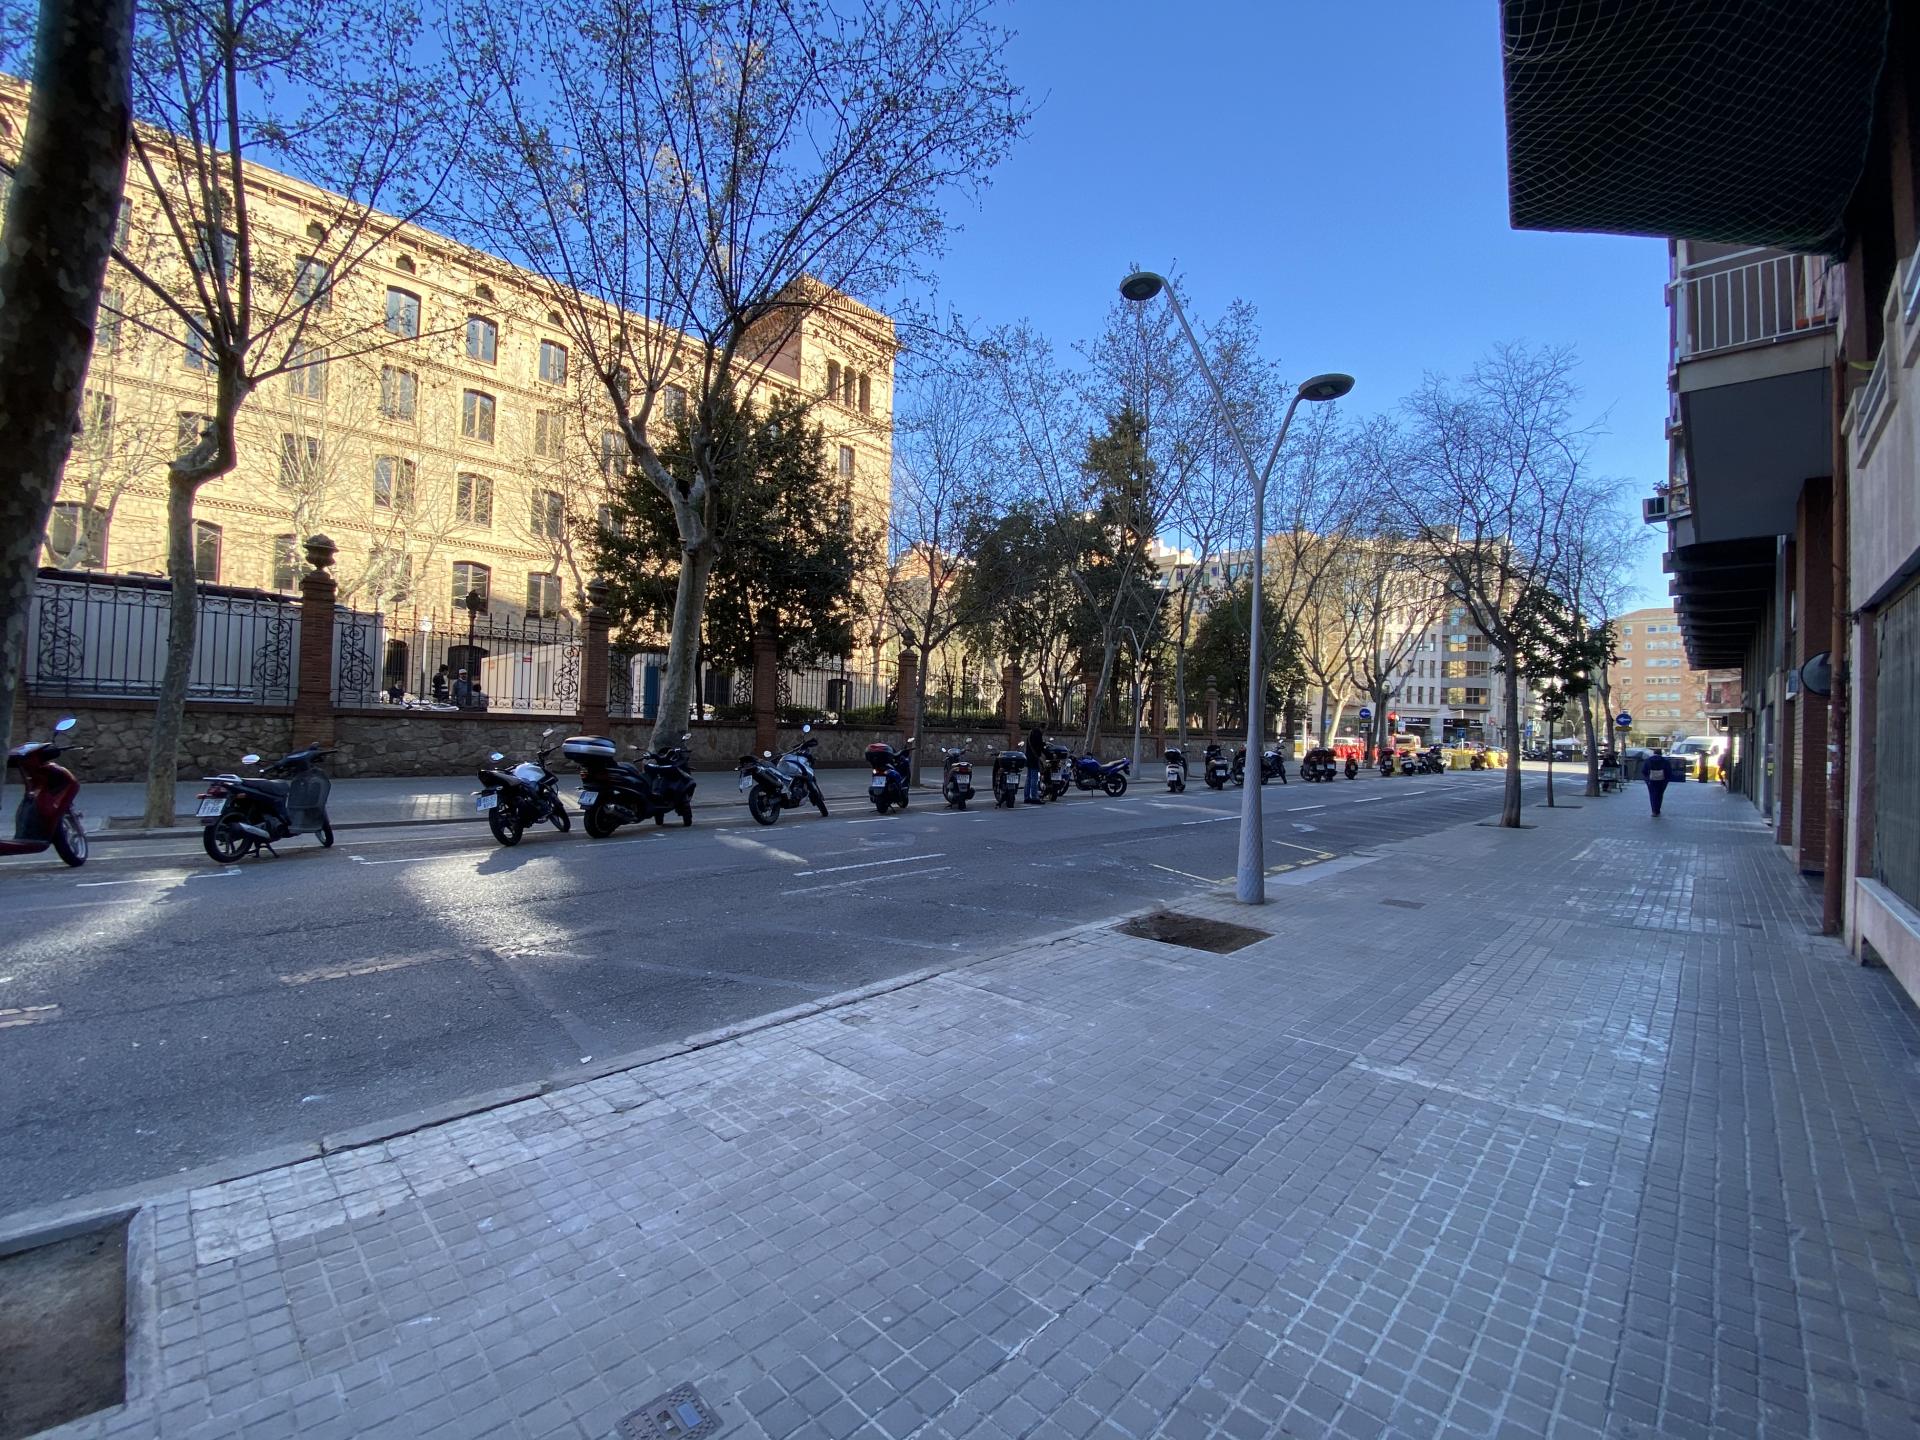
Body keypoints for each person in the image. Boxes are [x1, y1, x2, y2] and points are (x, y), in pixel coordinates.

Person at [1644, 745, 1674, 817]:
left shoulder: (1648, 760)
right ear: (1661, 753)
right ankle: (1657, 810)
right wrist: (1666, 780)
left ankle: (1654, 811)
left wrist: (1647, 779)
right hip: (1662, 781)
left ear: (1654, 753)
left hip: (1651, 781)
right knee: (1659, 795)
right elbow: (1669, 771)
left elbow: (1644, 771)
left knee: (1652, 795)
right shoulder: (1665, 761)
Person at [1024, 724, 1044, 803]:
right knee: (1034, 779)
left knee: (1028, 778)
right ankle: (1034, 797)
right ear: (1042, 728)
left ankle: (1026, 797)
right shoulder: (1038, 734)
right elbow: (1038, 746)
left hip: (1028, 757)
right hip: (1034, 758)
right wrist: (1044, 745)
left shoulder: (1031, 732)